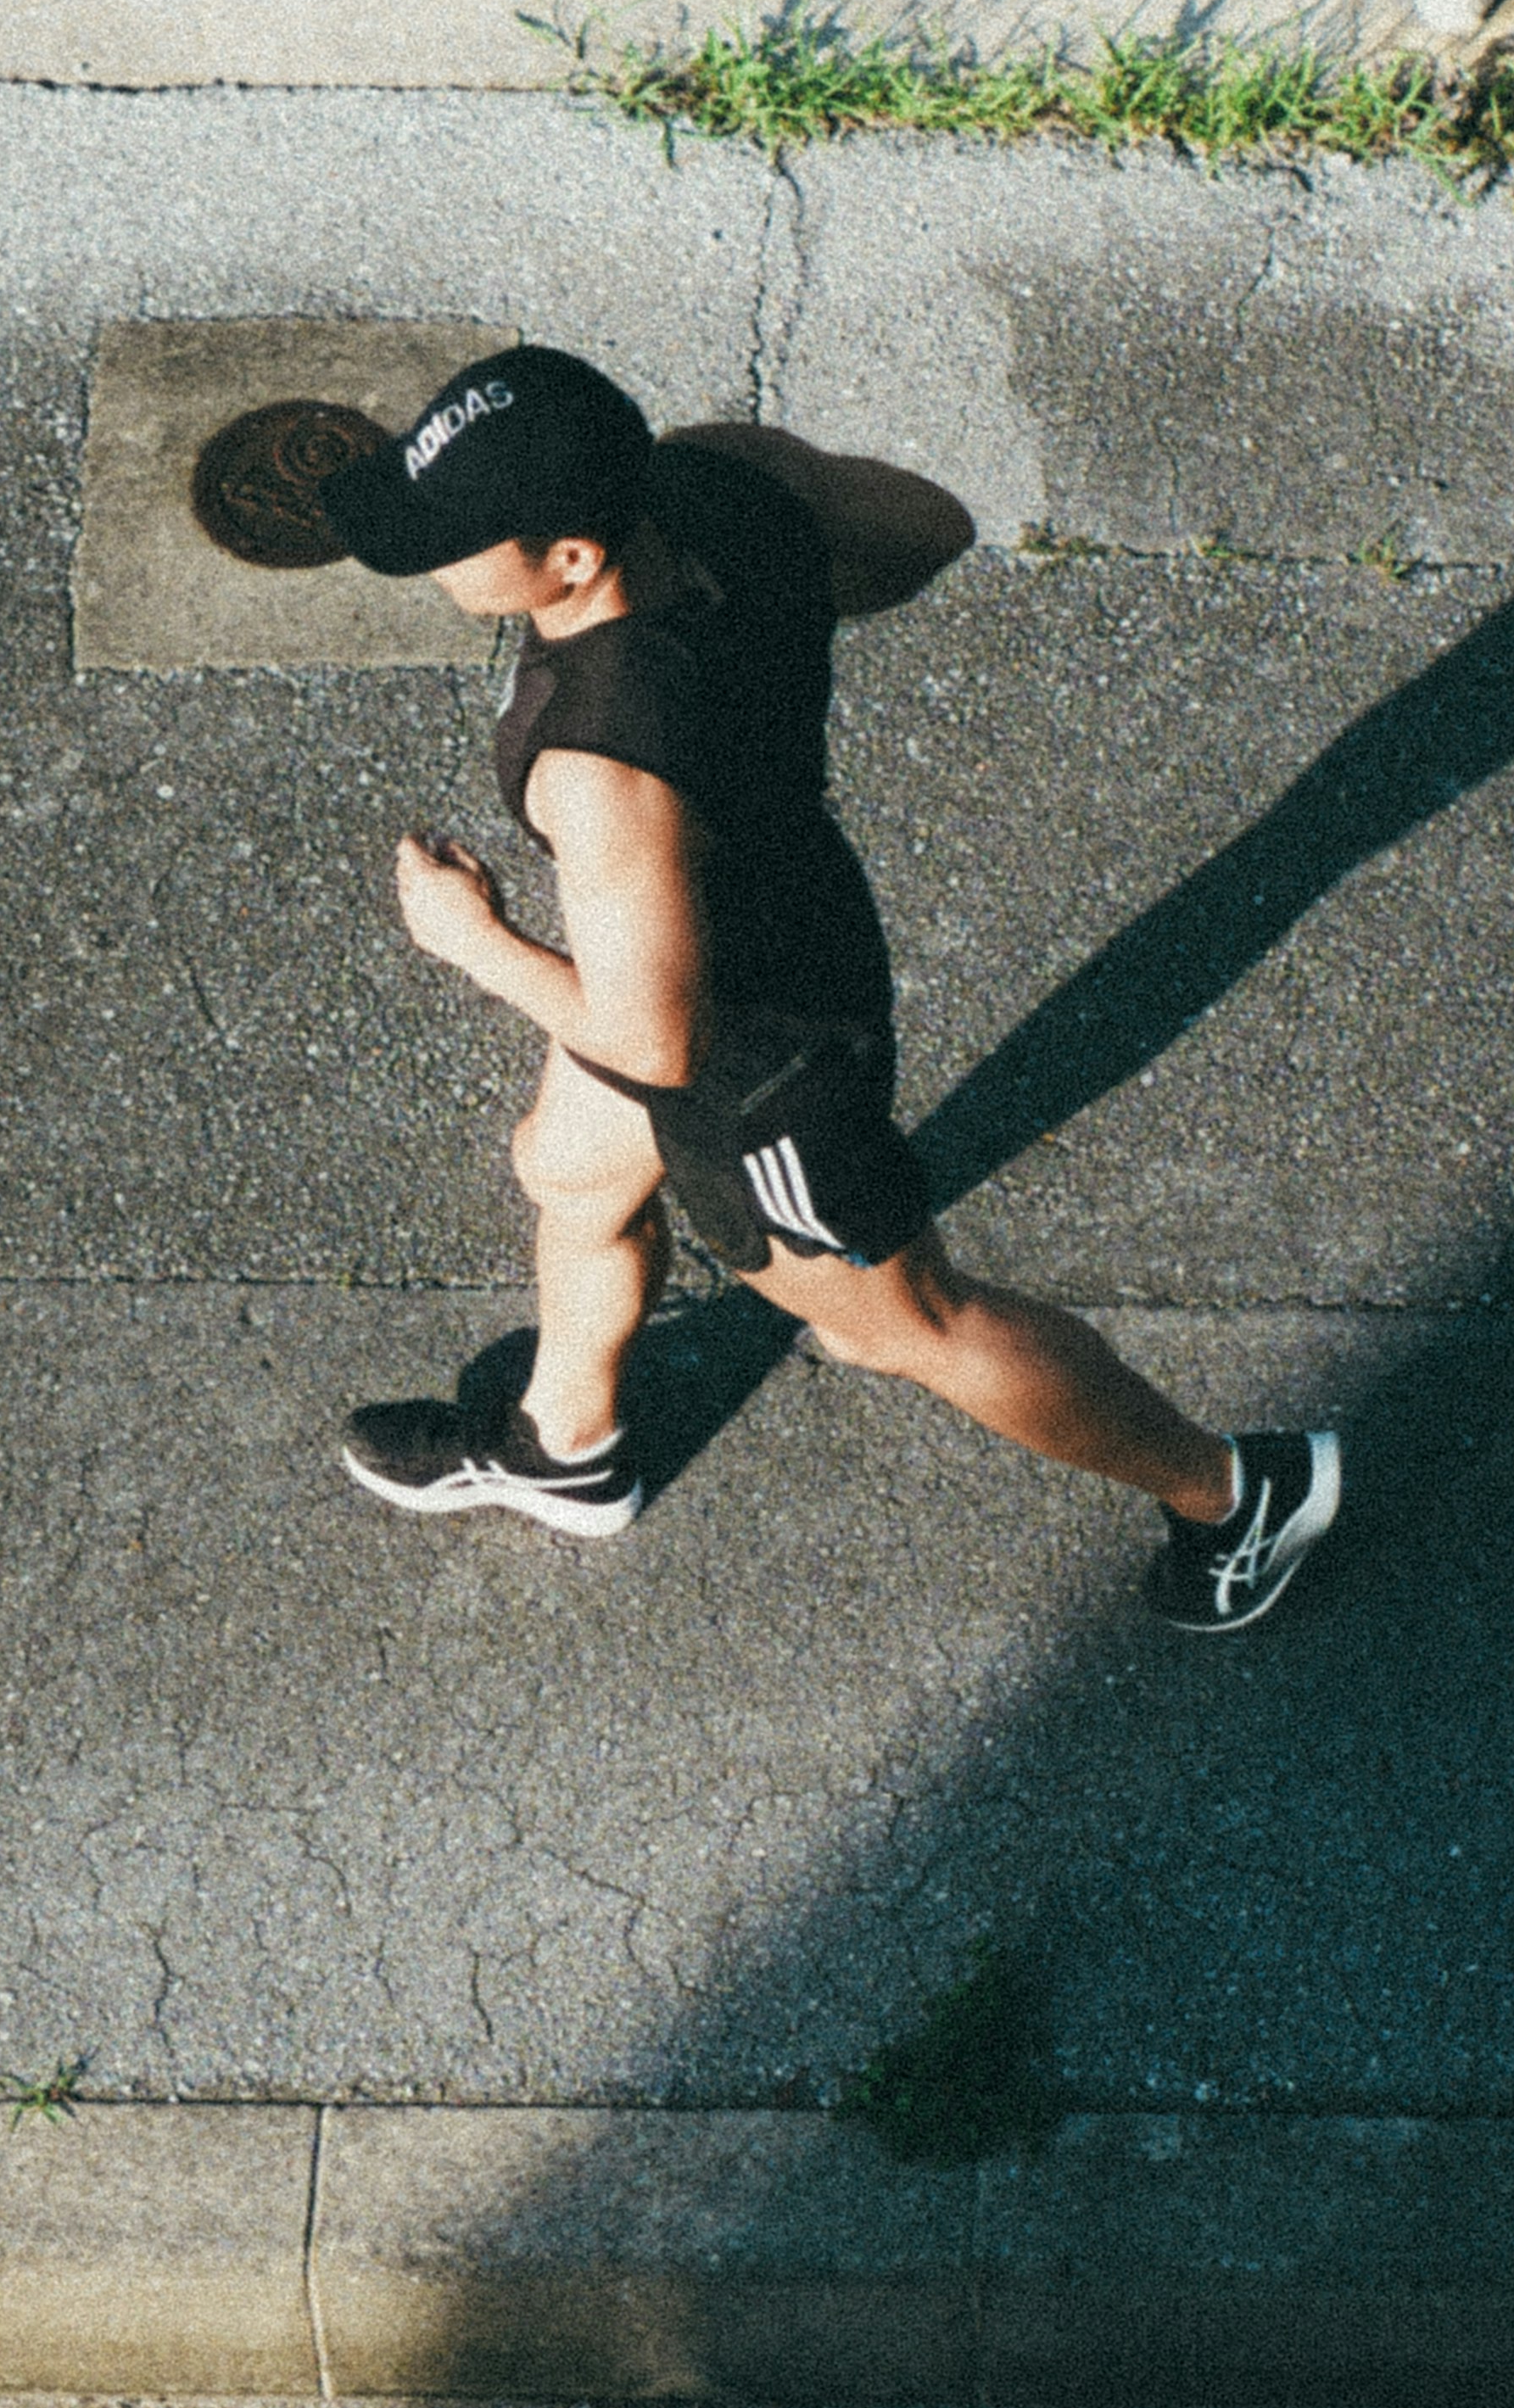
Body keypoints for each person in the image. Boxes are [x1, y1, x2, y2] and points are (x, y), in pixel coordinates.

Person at [310, 344, 1339, 1634]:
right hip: (747, 909)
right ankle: (564, 1447)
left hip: (761, 1058)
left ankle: (1235, 1493)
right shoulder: (720, 475)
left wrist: (471, 939)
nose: (431, 561)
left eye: (454, 541)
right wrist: (764, 630)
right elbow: (925, 531)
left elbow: (653, 1037)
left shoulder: (603, 762)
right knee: (568, 1171)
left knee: (901, 1322)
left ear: (569, 558)